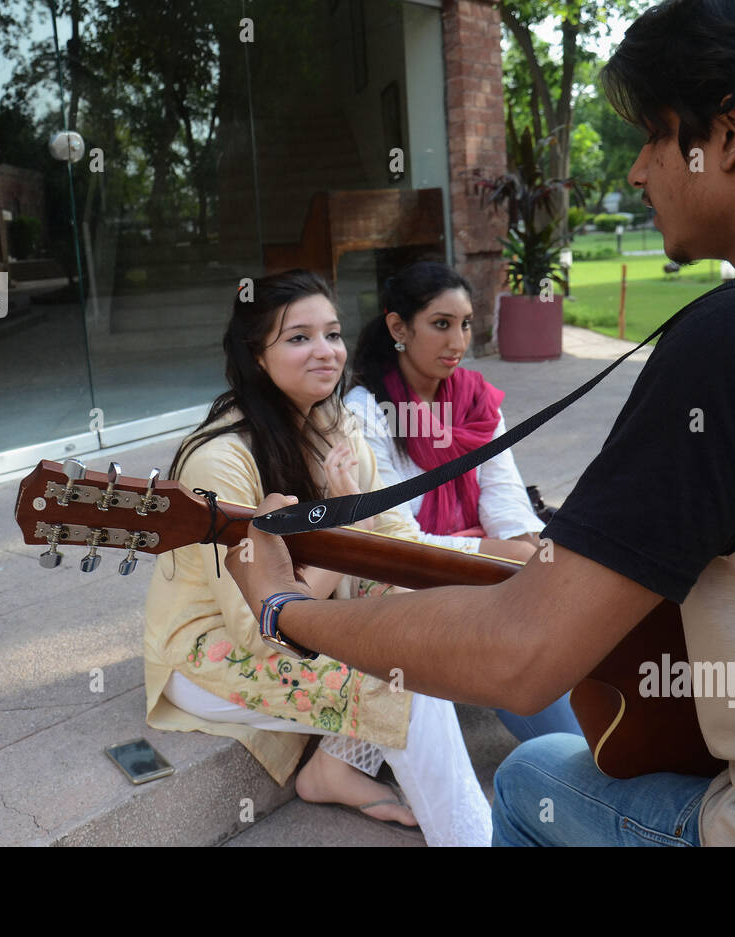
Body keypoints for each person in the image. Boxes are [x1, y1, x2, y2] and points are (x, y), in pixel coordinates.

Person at [221, 0, 735, 847]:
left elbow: (520, 655)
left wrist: (284, 607)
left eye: (655, 135)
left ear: (730, 134)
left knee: (531, 778)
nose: (639, 172)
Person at [142, 268, 492, 846]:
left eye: (332, 334)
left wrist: (495, 570)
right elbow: (263, 630)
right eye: (298, 338)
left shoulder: (340, 427)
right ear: (257, 356)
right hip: (211, 651)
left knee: (431, 612)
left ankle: (336, 763)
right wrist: (342, 513)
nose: (325, 352)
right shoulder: (219, 461)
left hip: (311, 616)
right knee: (406, 680)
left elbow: (402, 544)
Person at [343, 261, 584, 742]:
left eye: (466, 324)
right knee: (514, 635)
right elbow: (399, 541)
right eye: (440, 324)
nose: (459, 342)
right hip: (405, 574)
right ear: (398, 327)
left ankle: (592, 747)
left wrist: (525, 549)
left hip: (476, 559)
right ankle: (578, 762)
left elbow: (503, 492)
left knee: (560, 579)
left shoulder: (474, 400)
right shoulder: (367, 412)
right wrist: (505, 561)